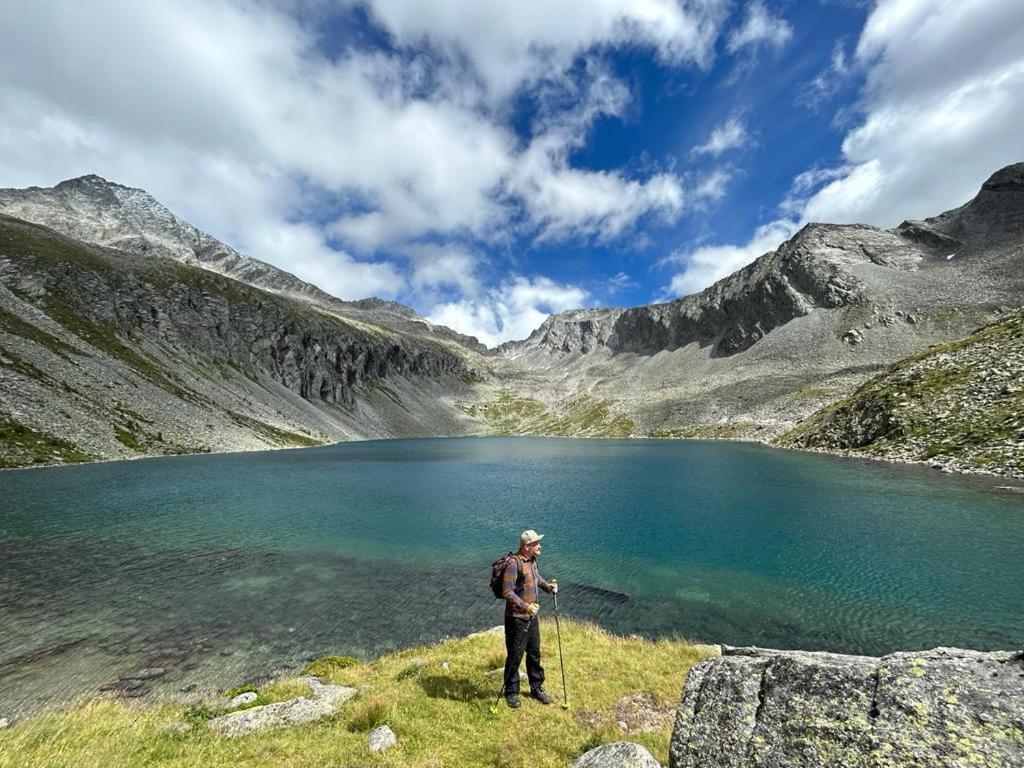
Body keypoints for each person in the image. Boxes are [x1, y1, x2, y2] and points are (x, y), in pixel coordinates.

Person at [501, 529, 557, 708]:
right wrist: (527, 606)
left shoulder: (532, 561)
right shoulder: (513, 563)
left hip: (531, 617)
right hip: (516, 618)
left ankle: (537, 688)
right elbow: (507, 591)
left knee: (534, 653)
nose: (539, 546)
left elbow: (535, 579)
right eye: (536, 544)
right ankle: (511, 692)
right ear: (526, 547)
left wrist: (548, 587)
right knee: (515, 655)